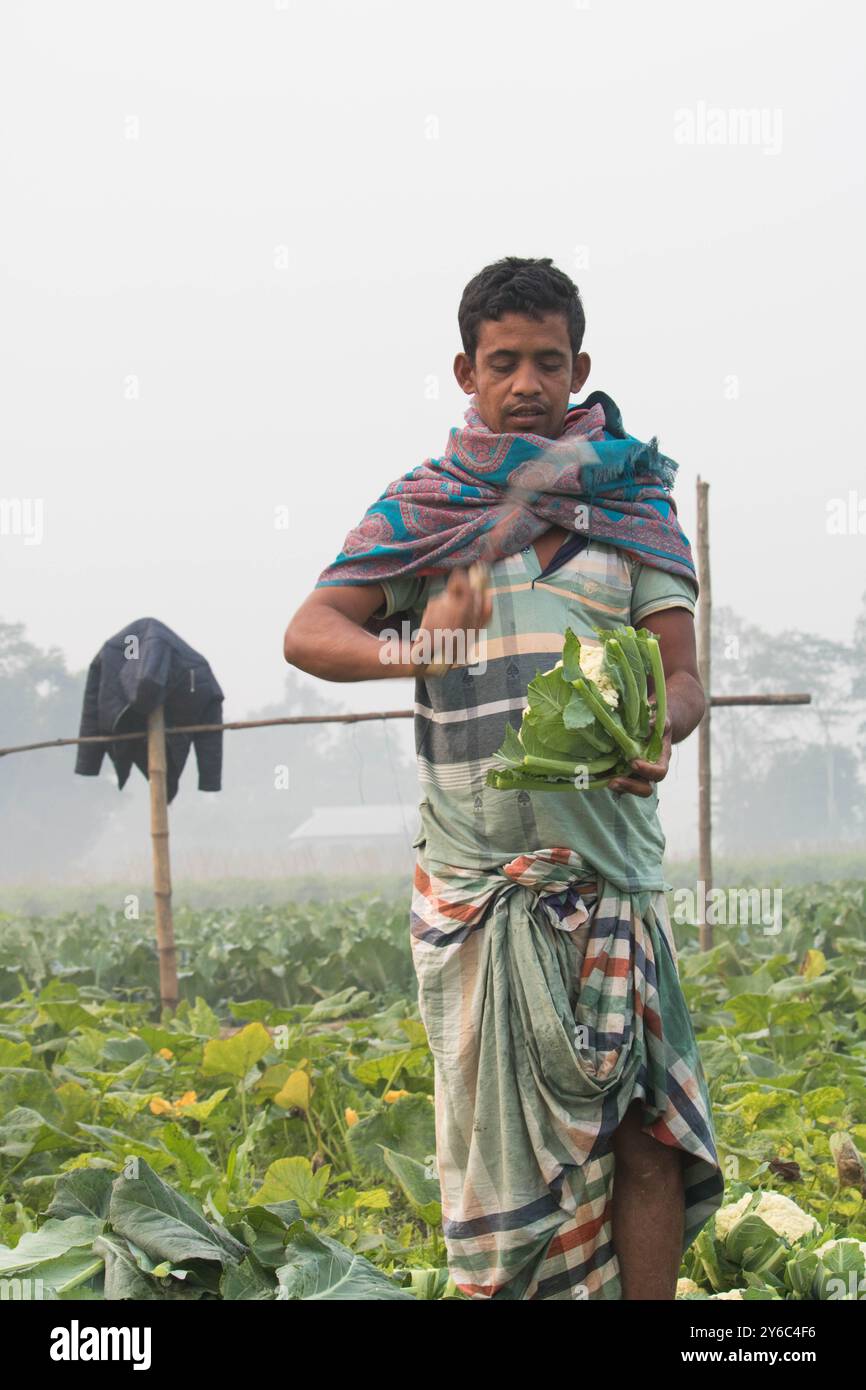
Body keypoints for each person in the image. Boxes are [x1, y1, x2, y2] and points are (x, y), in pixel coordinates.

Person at [283, 255, 724, 1301]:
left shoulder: (633, 505)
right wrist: (418, 652)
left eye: (544, 361)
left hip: (611, 872)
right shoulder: (427, 511)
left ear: (579, 366)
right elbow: (311, 633)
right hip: (476, 885)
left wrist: (658, 728)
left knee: (644, 1133)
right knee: (495, 1157)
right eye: (501, 363)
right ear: (463, 371)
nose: (524, 381)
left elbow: (682, 676)